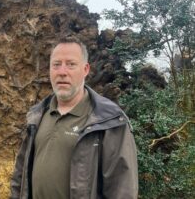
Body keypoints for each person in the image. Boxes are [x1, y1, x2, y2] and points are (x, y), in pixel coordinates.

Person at [10, 36, 138, 199]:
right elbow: (19, 177)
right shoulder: (36, 116)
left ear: (85, 69)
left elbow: (122, 189)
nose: (62, 72)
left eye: (71, 64)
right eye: (56, 65)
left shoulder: (109, 121)